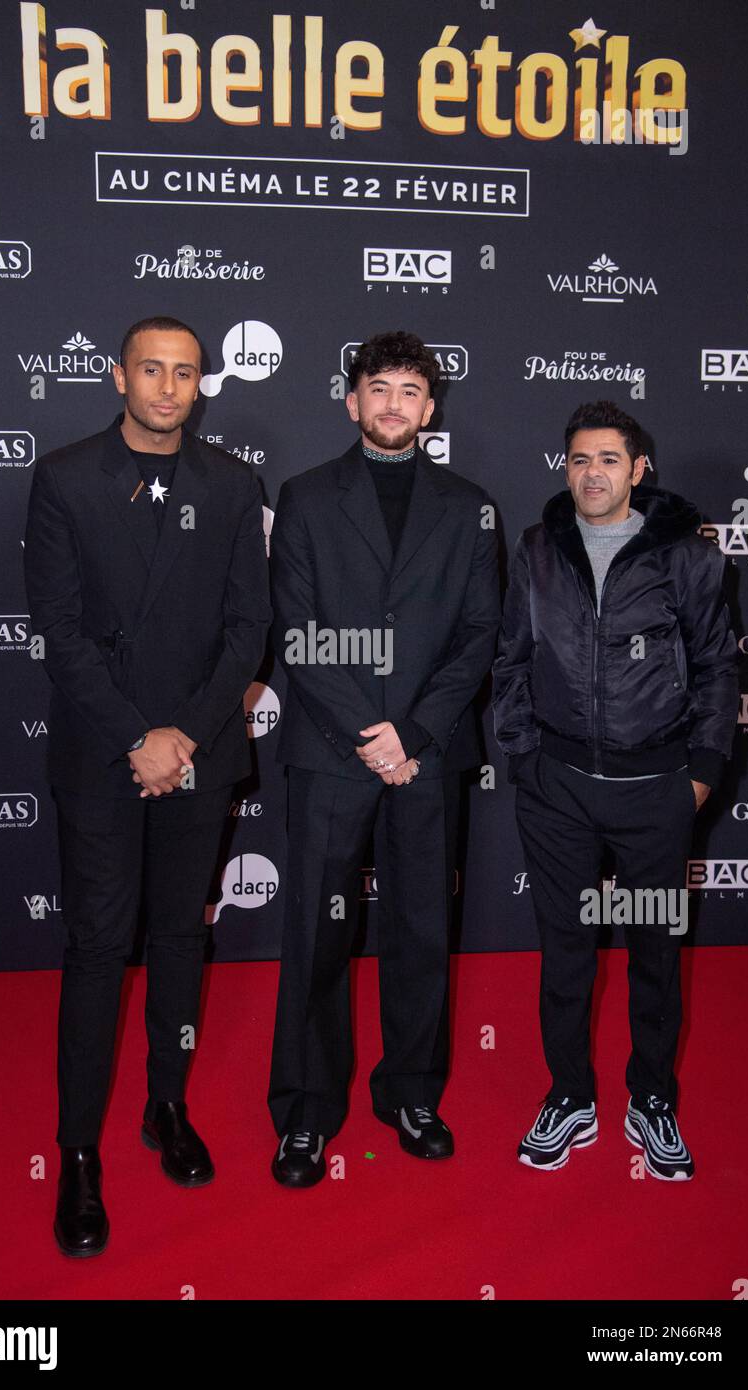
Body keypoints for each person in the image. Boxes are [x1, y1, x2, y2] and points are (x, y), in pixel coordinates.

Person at [23, 315, 271, 1255]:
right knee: (96, 949)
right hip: (102, 753)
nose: (168, 387)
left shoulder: (233, 483)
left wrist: (188, 736)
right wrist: (139, 735)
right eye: (152, 370)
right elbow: (60, 630)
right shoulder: (64, 475)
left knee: (178, 939)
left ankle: (165, 1105)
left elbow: (251, 626)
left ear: (203, 385)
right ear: (120, 375)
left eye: (185, 373)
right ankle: (78, 1151)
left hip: (199, 754)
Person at [267, 330, 501, 1186]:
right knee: (315, 940)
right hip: (333, 754)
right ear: (351, 399)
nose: (394, 403)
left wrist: (416, 733)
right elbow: (297, 630)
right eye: (378, 387)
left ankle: (411, 1093)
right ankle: (304, 1112)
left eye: (410, 389)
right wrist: (370, 734)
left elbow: (479, 635)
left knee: (420, 931)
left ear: (431, 408)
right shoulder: (303, 496)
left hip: (429, 757)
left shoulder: (470, 505)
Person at [492, 399, 738, 1180]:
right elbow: (509, 661)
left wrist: (700, 772)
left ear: (638, 469)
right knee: (565, 954)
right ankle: (570, 1096)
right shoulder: (538, 549)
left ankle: (652, 1099)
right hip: (557, 789)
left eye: (607, 460)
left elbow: (719, 669)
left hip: (655, 792)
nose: (590, 474)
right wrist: (524, 759)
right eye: (578, 460)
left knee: (654, 956)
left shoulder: (690, 558)